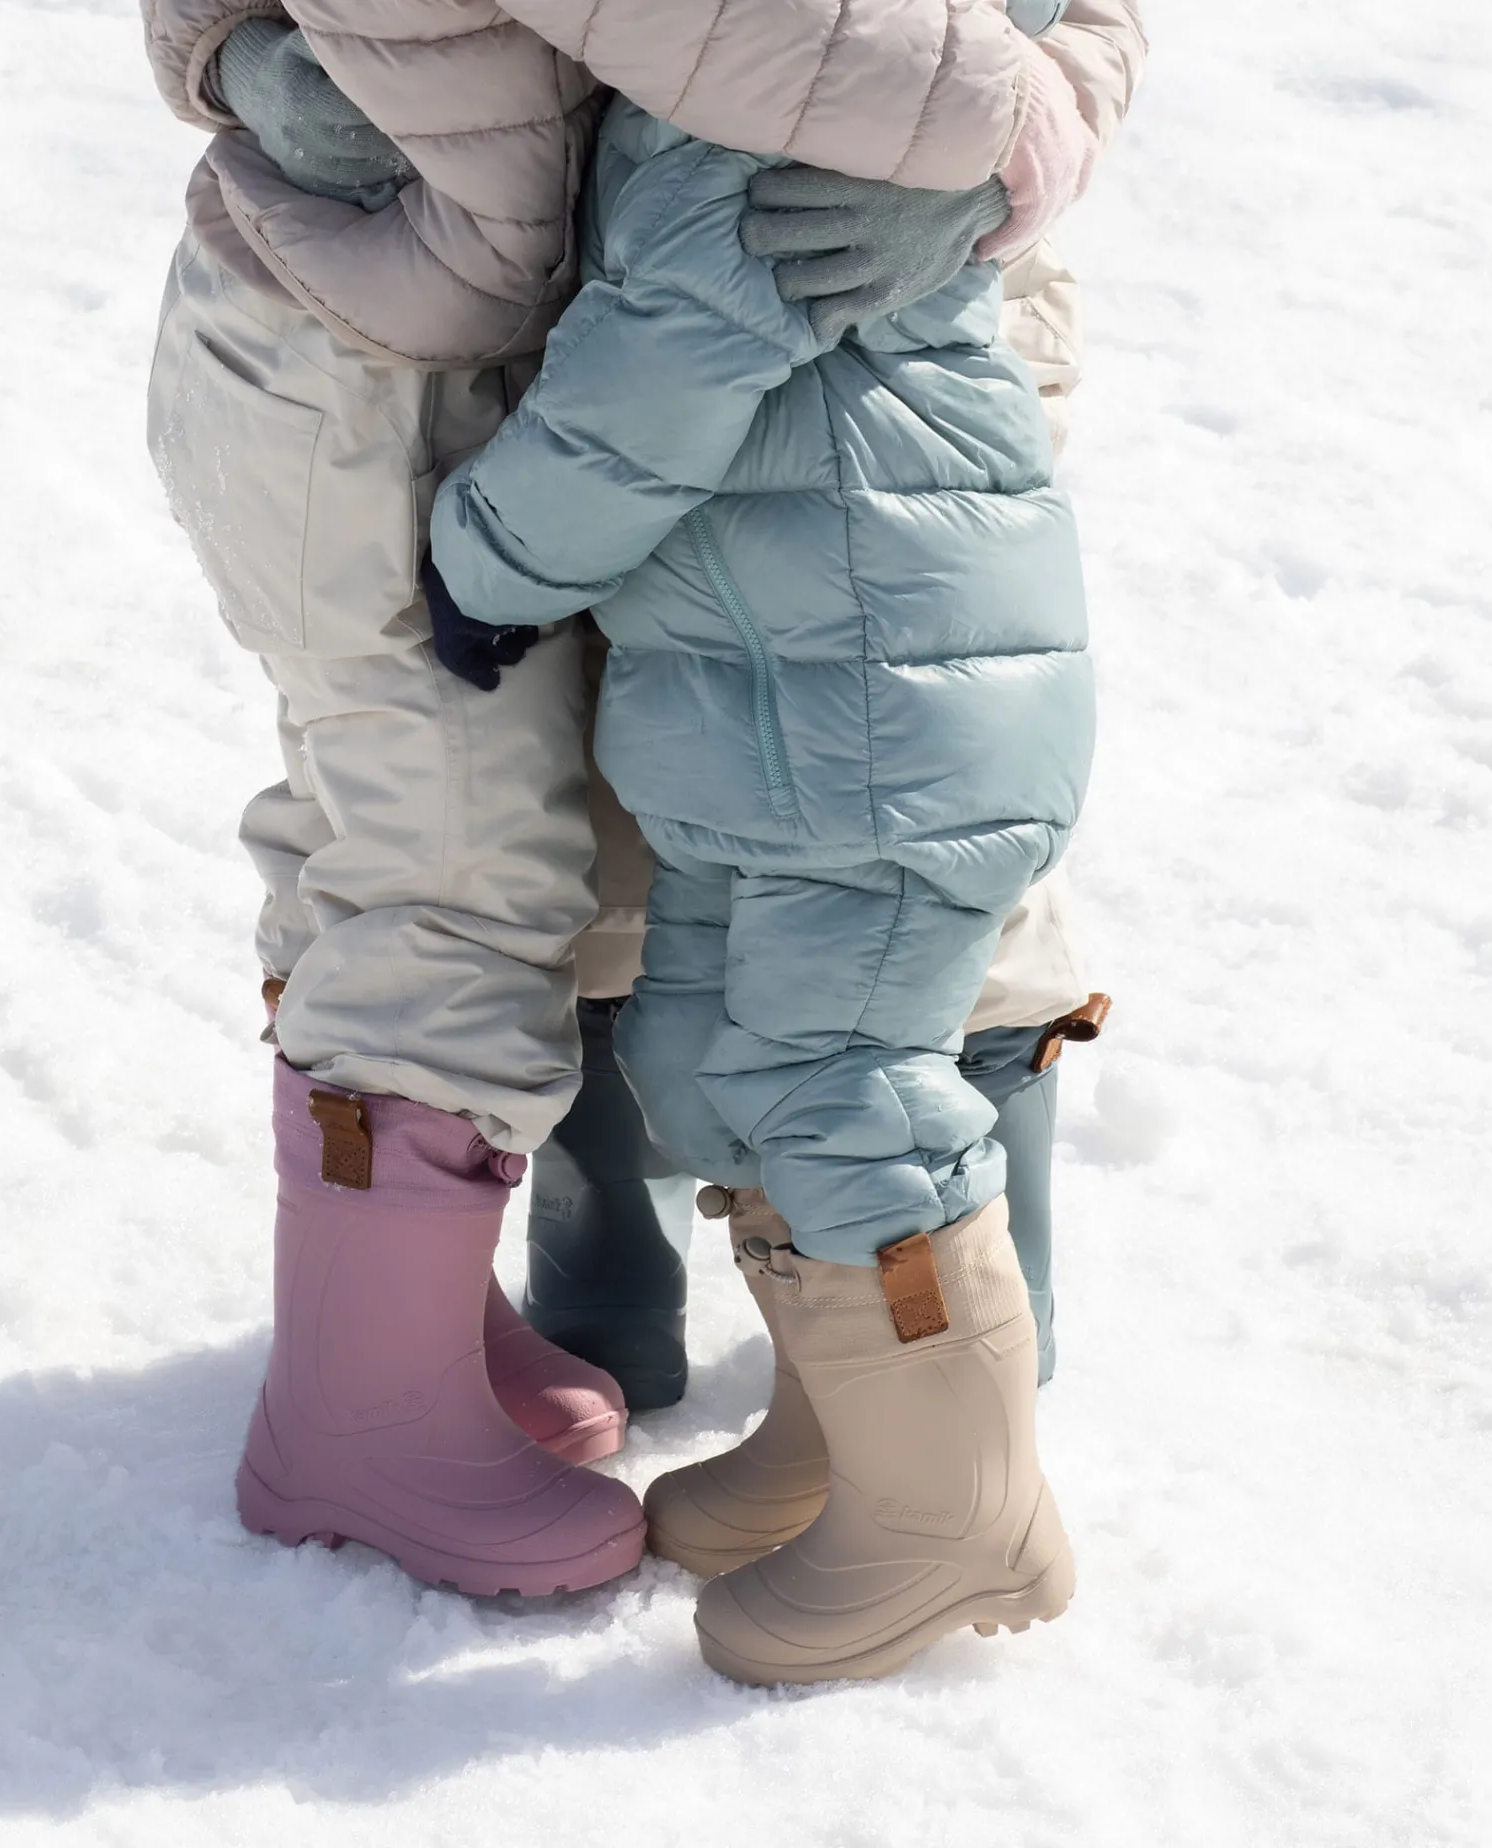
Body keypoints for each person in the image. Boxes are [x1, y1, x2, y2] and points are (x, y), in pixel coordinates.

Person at [141, 0, 1117, 1599]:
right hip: (414, 334)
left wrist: (1005, 131)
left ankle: (901, 1438)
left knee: (833, 909)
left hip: (745, 330)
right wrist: (234, 49)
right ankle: (377, 1385)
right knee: (470, 853)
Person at [425, 82, 1095, 1678]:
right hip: (797, 705)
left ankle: (957, 1510)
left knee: (840, 1085)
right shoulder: (781, 71)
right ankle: (846, 1432)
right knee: (710, 1049)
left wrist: (491, 559)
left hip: (875, 712)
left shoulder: (767, 82)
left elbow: (661, 369)